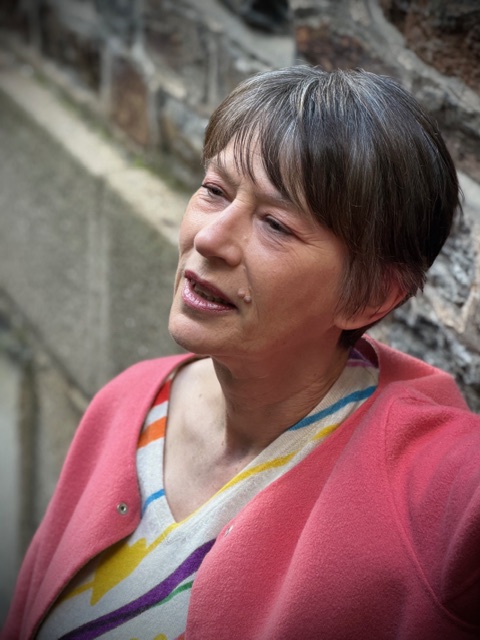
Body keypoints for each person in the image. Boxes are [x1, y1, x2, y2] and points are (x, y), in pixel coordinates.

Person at [3, 65, 480, 640]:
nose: (209, 238)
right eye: (215, 191)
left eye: (275, 224)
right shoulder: (128, 403)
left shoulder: (429, 484)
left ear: (370, 296)